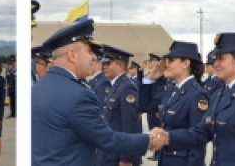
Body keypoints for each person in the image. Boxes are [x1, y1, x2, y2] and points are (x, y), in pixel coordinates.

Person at [32, 19, 151, 165]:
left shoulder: (39, 87)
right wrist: (150, 140)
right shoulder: (78, 95)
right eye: (89, 51)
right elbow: (107, 140)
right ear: (72, 55)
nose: (94, 57)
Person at [150, 33, 235, 166]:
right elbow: (202, 132)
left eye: (220, 58)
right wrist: (168, 137)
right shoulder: (219, 94)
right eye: (215, 59)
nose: (215, 64)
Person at [153, 42, 208, 166]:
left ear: (186, 63)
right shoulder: (172, 90)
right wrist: (149, 80)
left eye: (171, 60)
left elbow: (198, 140)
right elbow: (146, 106)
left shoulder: (197, 95)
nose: (166, 64)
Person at [95, 45, 142, 166]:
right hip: (109, 152)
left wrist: (126, 158)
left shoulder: (127, 87)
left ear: (120, 65)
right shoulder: (115, 86)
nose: (104, 67)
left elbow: (129, 125)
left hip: (117, 156)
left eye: (108, 63)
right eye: (103, 63)